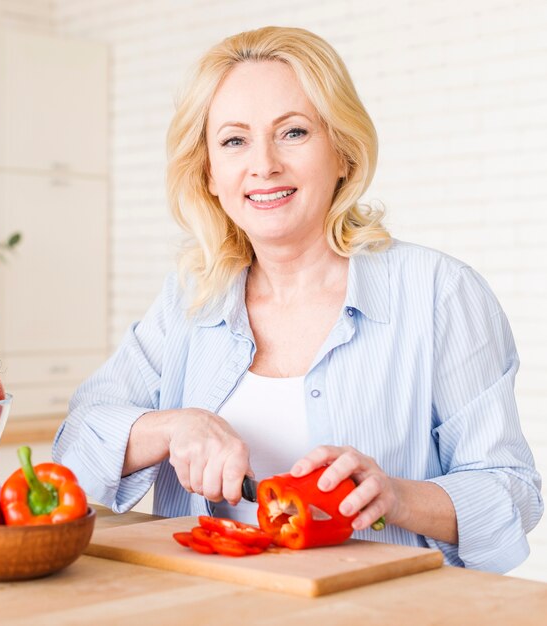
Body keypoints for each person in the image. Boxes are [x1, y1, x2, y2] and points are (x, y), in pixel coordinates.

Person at [52, 26, 543, 573]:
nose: (263, 164)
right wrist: (173, 427)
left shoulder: (439, 292)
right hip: (205, 604)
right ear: (210, 173)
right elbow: (76, 443)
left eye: (293, 132)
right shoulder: (191, 299)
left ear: (343, 153)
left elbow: (512, 491)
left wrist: (397, 496)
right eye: (234, 141)